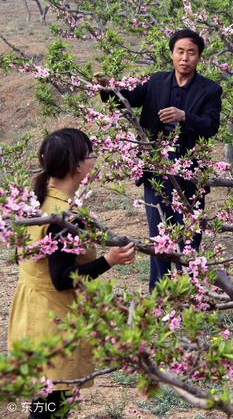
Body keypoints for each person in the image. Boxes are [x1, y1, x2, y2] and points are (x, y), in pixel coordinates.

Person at [7, 128, 136, 419]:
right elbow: (62, 278)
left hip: (32, 313)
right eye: (91, 155)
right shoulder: (62, 217)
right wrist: (108, 260)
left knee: (46, 401)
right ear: (77, 165)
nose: (94, 161)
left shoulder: (35, 200)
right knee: (51, 405)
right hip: (53, 320)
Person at [97, 28, 222, 291]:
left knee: (189, 235)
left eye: (191, 52)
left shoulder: (210, 89)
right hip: (155, 171)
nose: (185, 57)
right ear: (171, 54)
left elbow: (211, 126)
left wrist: (184, 116)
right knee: (159, 235)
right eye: (180, 51)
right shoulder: (156, 82)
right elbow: (125, 101)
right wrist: (107, 87)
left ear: (199, 57)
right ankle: (159, 293)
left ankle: (187, 293)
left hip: (189, 174)